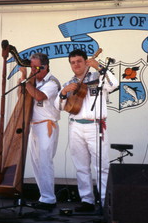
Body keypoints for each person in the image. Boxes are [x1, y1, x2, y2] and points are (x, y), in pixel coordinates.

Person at [55, 49, 118, 212]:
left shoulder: (98, 78)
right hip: (75, 126)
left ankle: (104, 202)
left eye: (79, 61)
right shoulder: (69, 83)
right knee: (81, 166)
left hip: (95, 126)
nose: (76, 65)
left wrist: (99, 67)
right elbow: (60, 107)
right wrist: (63, 92)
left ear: (85, 62)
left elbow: (114, 84)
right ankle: (87, 201)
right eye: (72, 62)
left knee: (102, 166)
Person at [19, 53, 61, 211]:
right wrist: (26, 82)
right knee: (36, 163)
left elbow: (39, 96)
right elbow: (22, 97)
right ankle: (44, 196)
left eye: (37, 67)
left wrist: (25, 79)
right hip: (34, 126)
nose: (34, 70)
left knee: (45, 162)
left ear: (46, 66)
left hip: (46, 125)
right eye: (32, 67)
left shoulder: (52, 82)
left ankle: (49, 199)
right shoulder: (33, 81)